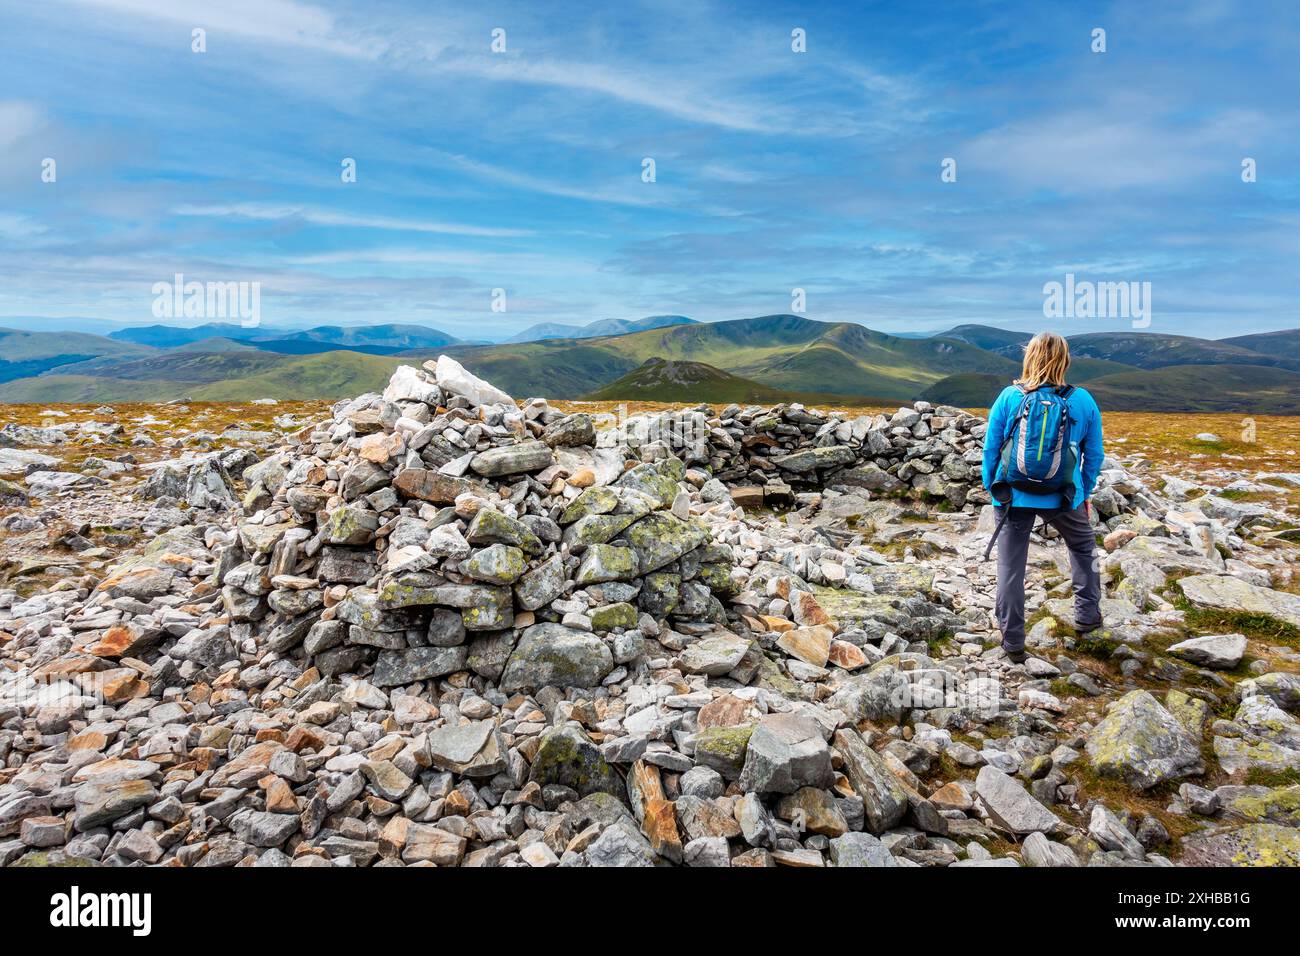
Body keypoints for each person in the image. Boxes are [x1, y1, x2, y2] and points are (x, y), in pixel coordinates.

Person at [981, 332, 1104, 664]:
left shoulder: (1009, 397)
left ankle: (1013, 642)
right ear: (1065, 360)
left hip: (1012, 498)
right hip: (1064, 496)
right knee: (1083, 549)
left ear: (1029, 357)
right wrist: (1083, 492)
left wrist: (993, 489)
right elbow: (1093, 456)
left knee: (1010, 567)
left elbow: (991, 449)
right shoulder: (1083, 400)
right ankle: (1088, 618)